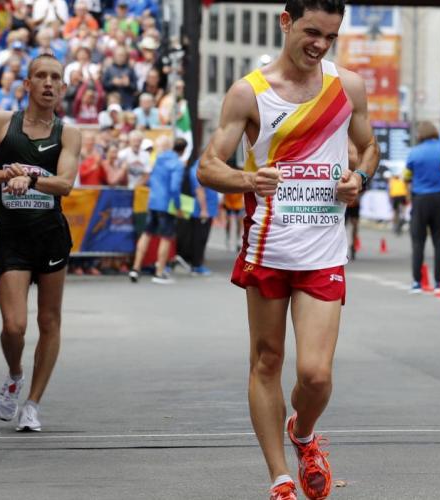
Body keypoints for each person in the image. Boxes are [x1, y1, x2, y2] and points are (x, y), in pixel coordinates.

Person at [197, 1, 379, 499]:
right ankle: (279, 478)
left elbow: (369, 148)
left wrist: (359, 178)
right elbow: (208, 166)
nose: (320, 44)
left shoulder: (348, 87)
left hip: (322, 251)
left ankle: (302, 433)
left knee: (316, 376)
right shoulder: (249, 92)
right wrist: (247, 180)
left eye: (330, 36)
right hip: (268, 247)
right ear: (286, 22)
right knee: (267, 360)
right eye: (312, 31)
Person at [0, 54, 81, 432]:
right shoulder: (1, 123)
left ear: (63, 88)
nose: (49, 83)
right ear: (27, 85)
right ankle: (15, 374)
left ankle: (32, 404)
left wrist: (29, 180)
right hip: (12, 237)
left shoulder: (68, 133)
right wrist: (6, 175)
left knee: (49, 321)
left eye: (55, 78)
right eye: (41, 76)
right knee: (14, 326)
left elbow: (65, 184)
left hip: (50, 237)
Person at [128, 136, 187, 285]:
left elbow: (149, 180)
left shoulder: (156, 160)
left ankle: (135, 268)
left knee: (146, 234)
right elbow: (174, 188)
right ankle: (159, 272)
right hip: (166, 204)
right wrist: (178, 206)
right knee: (166, 237)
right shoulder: (177, 163)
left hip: (153, 202)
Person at [405, 121, 440, 292]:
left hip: (420, 199)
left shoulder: (414, 152)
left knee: (418, 242)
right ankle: (439, 282)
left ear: (420, 134)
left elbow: (407, 176)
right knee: (439, 241)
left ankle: (417, 282)